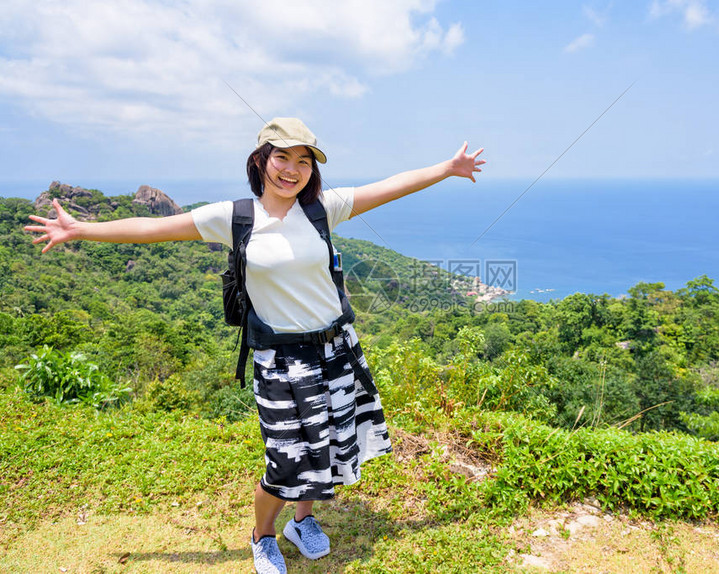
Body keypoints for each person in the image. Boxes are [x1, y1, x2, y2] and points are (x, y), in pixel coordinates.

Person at [25, 117, 485, 574]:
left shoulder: (323, 208)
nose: (292, 169)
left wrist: (446, 167)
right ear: (261, 160)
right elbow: (153, 228)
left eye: (303, 160)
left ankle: (301, 522)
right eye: (282, 157)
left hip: (336, 350)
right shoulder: (235, 217)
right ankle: (262, 535)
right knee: (286, 460)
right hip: (280, 360)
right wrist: (82, 229)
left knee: (324, 450)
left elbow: (390, 186)